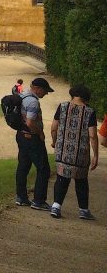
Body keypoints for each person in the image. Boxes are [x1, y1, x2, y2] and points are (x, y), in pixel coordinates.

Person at [50, 84, 99, 219]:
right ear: (86, 97)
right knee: (81, 180)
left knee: (61, 178)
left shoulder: (62, 107)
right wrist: (95, 155)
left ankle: (56, 207)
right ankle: (83, 210)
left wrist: (55, 141)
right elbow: (93, 135)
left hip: (63, 151)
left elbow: (54, 127)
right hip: (80, 153)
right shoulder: (90, 112)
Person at [15, 77, 54, 210]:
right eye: (45, 90)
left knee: (23, 166)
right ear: (37, 89)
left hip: (21, 135)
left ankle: (21, 197)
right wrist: (40, 133)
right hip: (32, 138)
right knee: (43, 168)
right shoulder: (33, 102)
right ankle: (39, 200)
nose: (46, 93)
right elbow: (30, 122)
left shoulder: (22, 96)